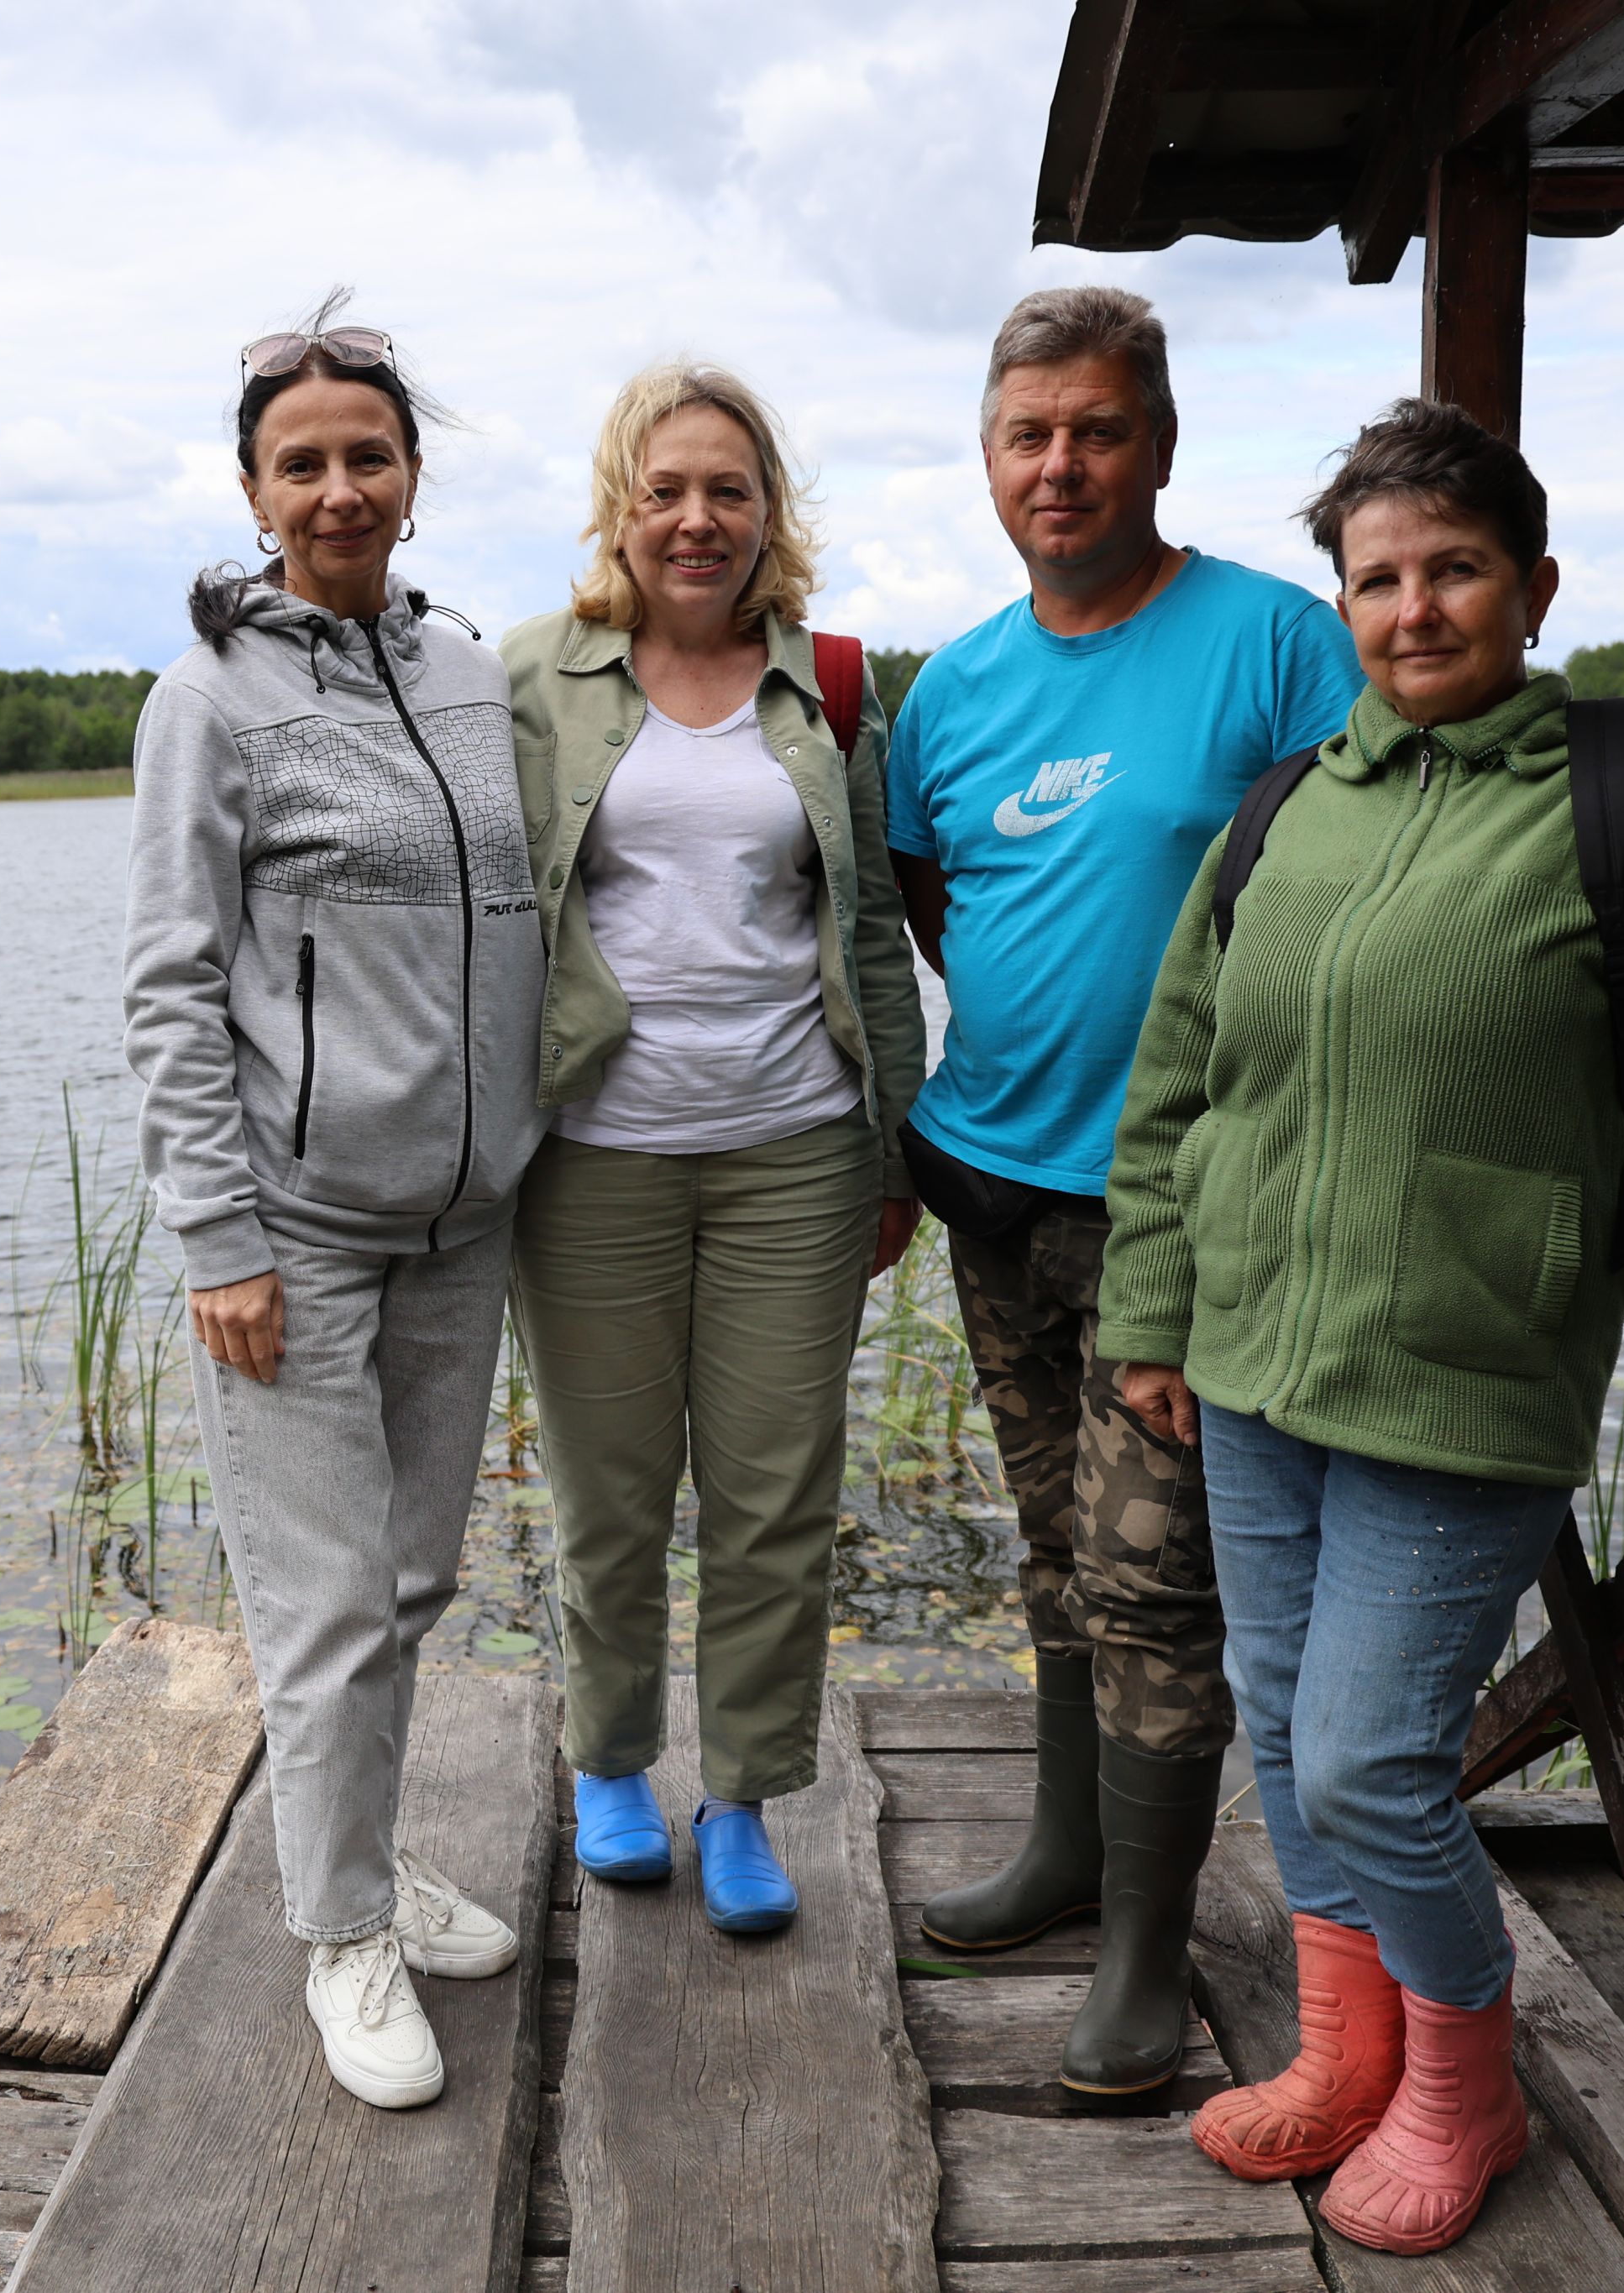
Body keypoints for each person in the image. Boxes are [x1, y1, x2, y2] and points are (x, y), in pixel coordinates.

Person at [1102, 399, 1624, 2254]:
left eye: (1450, 568)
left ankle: (1465, 2090)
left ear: (1530, 585)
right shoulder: (1287, 805)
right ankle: (1340, 2049)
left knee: (1369, 1759)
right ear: (1340, 605)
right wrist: (1153, 1310)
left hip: (1458, 1385)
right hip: (1246, 1369)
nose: (1411, 608)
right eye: (1374, 578)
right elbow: (1173, 1090)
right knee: (1280, 1716)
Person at [884, 288, 1361, 2094]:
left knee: (1160, 1582)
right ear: (987, 457)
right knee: (1054, 1551)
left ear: (1155, 444)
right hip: (991, 1185)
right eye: (1027, 435)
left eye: (1094, 430)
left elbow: (1358, 868)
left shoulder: (1273, 644)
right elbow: (936, 915)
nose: (1058, 465)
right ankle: (1066, 1853)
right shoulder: (952, 691)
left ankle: (1149, 1954)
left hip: (1187, 1206)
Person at [122, 304, 547, 2112]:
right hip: (294, 1225)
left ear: (411, 474)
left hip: (466, 1220)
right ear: (252, 488)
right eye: (300, 460)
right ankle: (339, 1939)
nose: (338, 485)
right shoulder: (209, 699)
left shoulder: (465, 675)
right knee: (321, 1605)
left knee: (412, 1576)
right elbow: (168, 983)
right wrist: (215, 1237)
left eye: (366, 453)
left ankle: (364, 1859)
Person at [500, 363, 925, 1934]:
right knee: (610, 1496)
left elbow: (867, 921)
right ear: (623, 503)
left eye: (728, 491)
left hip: (794, 1151)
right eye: (666, 489)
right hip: (592, 1152)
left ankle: (743, 1795)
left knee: (772, 1499)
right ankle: (608, 1765)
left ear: (767, 513)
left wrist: (890, 1151)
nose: (697, 519)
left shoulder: (826, 681)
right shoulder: (530, 679)